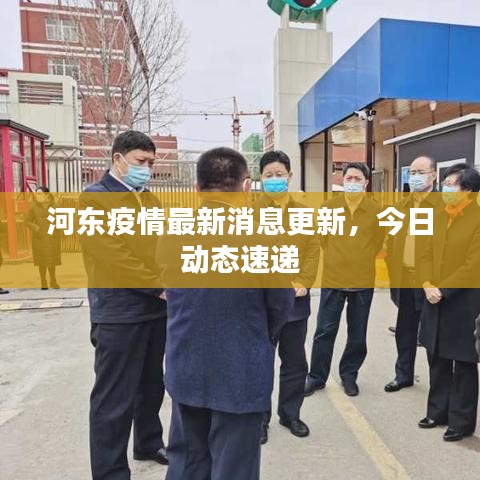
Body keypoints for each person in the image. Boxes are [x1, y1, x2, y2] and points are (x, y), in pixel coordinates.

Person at [159, 147, 294, 480]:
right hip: (241, 368)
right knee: (234, 467)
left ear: (197, 189)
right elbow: (281, 303)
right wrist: (257, 336)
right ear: (247, 187)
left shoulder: (171, 233)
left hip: (186, 364)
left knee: (187, 462)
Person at [81, 131, 168, 480]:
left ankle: (148, 442)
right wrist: (160, 286)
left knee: (152, 385)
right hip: (118, 312)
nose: (146, 169)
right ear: (118, 159)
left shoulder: (149, 200)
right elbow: (114, 257)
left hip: (154, 311)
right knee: (114, 396)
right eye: (140, 162)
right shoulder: (94, 200)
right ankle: (110, 471)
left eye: (150, 163)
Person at [255, 151, 320, 444]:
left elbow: (312, 250)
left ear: (290, 177)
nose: (274, 180)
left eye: (279, 175)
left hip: (295, 301)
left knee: (294, 362)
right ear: (260, 178)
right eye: (268, 175)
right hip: (261, 306)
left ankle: (290, 413)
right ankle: (260, 418)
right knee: (260, 363)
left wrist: (304, 281)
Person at [305, 163, 385, 397]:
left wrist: (359, 258)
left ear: (366, 182)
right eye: (348, 178)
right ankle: (316, 377)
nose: (352, 182)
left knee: (357, 334)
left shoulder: (375, 211)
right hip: (334, 279)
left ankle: (349, 375)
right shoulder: (329, 208)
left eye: (357, 178)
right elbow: (323, 240)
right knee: (324, 330)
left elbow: (377, 243)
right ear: (342, 180)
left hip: (362, 281)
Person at [418, 163, 480, 442]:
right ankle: (437, 411)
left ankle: (461, 421)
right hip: (433, 297)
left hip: (464, 301)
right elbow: (425, 253)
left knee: (464, 362)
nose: (446, 189)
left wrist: (443, 289)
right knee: (437, 357)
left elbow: (474, 264)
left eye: (452, 184)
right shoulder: (439, 216)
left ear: (469, 190)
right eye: (445, 183)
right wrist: (427, 283)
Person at [384, 156, 441, 392]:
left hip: (431, 281)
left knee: (433, 333)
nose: (415, 177)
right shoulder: (401, 206)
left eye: (421, 172)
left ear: (434, 175)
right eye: (412, 173)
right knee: (405, 329)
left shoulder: (442, 206)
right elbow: (390, 242)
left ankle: (439, 384)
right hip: (405, 276)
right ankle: (403, 375)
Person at [25, 186, 61, 289]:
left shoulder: (55, 206)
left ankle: (53, 281)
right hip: (39, 237)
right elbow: (27, 221)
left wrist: (55, 228)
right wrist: (36, 228)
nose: (38, 196)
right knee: (42, 261)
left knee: (51, 260)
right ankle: (43, 282)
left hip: (52, 236)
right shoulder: (33, 208)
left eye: (40, 194)